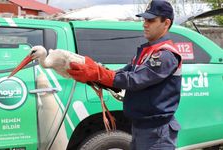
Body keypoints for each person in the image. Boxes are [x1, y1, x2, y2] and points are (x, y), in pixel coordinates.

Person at [67, 0, 182, 149]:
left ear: (166, 23)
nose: (145, 24)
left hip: (157, 132)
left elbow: (135, 80)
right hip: (142, 128)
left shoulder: (166, 54)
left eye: (151, 20)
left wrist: (99, 74)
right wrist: (96, 73)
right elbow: (122, 73)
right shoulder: (147, 51)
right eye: (145, 19)